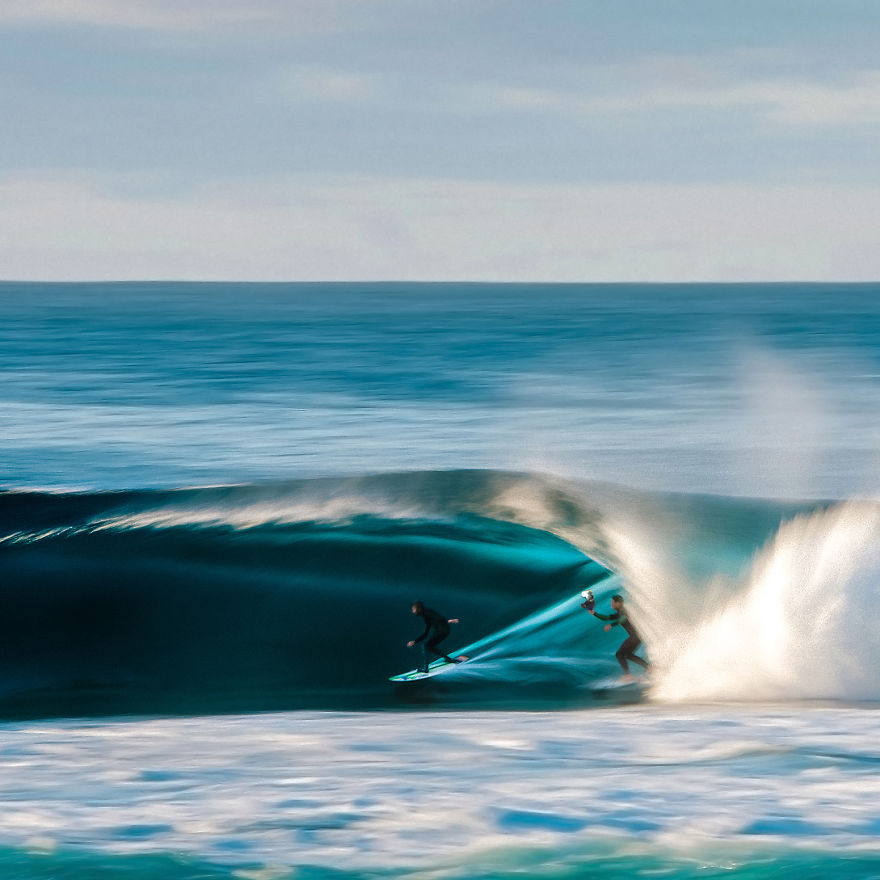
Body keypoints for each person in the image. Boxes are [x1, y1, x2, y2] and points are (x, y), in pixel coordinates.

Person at [589, 594, 649, 681]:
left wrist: (611, 625)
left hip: (635, 637)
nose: (611, 604)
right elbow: (606, 618)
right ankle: (649, 668)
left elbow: (623, 619)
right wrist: (594, 613)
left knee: (619, 654)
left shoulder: (623, 611)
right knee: (628, 654)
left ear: (618, 603)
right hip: (637, 636)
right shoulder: (619, 612)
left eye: (613, 602)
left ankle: (627, 675)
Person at [407, 601, 465, 673]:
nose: (412, 611)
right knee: (429, 646)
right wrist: (415, 641)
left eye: (413, 609)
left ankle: (426, 669)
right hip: (444, 630)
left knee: (426, 646)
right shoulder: (425, 615)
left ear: (418, 608)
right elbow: (426, 633)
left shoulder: (426, 612)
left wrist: (449, 621)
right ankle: (447, 659)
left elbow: (439, 617)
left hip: (442, 630)